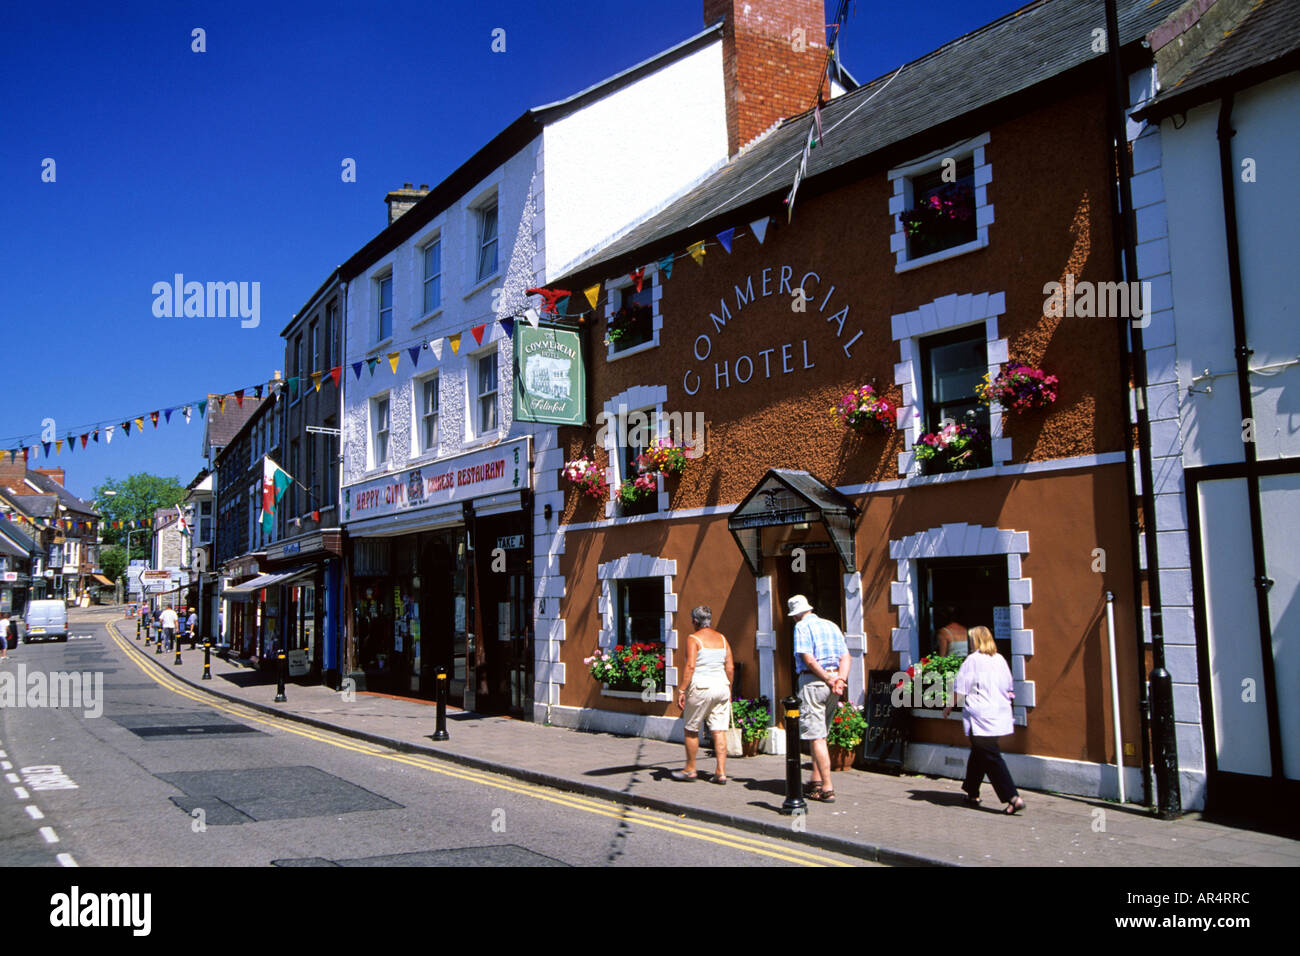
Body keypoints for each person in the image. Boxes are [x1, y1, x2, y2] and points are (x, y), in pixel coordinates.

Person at [944, 625, 1024, 814]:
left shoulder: (972, 660)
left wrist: (948, 706)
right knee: (980, 752)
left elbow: (961, 688)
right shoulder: (1000, 659)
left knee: (990, 756)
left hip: (981, 716)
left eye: (971, 639)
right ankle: (972, 792)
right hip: (999, 713)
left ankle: (1012, 797)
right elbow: (1009, 686)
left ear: (976, 641)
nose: (970, 643)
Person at [789, 594, 849, 803]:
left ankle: (827, 787)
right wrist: (839, 679)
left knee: (817, 737)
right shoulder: (831, 625)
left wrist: (826, 678)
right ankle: (815, 780)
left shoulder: (801, 627)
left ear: (796, 615)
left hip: (813, 682)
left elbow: (808, 658)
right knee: (821, 734)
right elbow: (845, 656)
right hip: (834, 682)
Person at [672, 606, 735, 784]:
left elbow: (691, 666)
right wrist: (729, 689)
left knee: (691, 729)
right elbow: (730, 667)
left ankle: (691, 769)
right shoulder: (722, 639)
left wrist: (682, 689)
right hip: (721, 686)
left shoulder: (693, 639)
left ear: (694, 621)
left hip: (701, 687)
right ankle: (721, 772)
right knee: (719, 730)